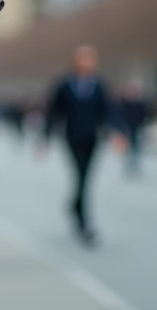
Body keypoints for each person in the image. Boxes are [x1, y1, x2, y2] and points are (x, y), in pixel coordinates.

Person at [41, 45, 110, 246]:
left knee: (86, 178)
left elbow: (106, 111)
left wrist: (116, 133)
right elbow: (54, 112)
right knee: (80, 176)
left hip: (93, 138)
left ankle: (74, 206)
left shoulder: (99, 85)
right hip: (71, 137)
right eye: (82, 58)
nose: (86, 62)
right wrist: (45, 138)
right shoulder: (64, 84)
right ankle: (84, 224)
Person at [117, 80, 150, 175]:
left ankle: (134, 162)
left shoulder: (140, 103)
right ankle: (128, 162)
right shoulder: (123, 103)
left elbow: (144, 115)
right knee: (127, 147)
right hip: (126, 128)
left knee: (136, 146)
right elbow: (120, 115)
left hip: (137, 127)